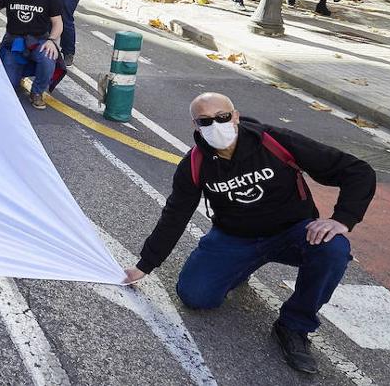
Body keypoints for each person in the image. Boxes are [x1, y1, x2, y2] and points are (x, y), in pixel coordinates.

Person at [123, 92, 375, 375]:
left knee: (334, 248)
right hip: (235, 239)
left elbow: (357, 171)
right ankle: (240, 268)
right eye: (205, 121)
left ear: (236, 116)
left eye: (222, 117)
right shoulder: (194, 164)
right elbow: (174, 215)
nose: (216, 125)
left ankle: (294, 326)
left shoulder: (276, 141)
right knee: (195, 296)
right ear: (196, 126)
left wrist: (343, 219)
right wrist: (145, 264)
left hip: (292, 233)